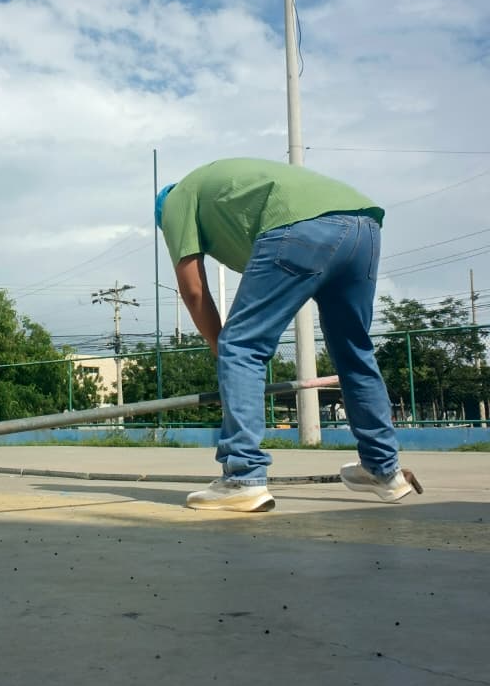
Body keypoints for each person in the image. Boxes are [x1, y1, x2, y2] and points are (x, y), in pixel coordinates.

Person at [155, 157, 422, 512]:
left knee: (240, 344)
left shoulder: (175, 201)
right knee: (354, 352)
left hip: (301, 225)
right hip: (363, 226)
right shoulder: (224, 195)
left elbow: (193, 290)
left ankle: (242, 477)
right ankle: (383, 470)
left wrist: (223, 349)